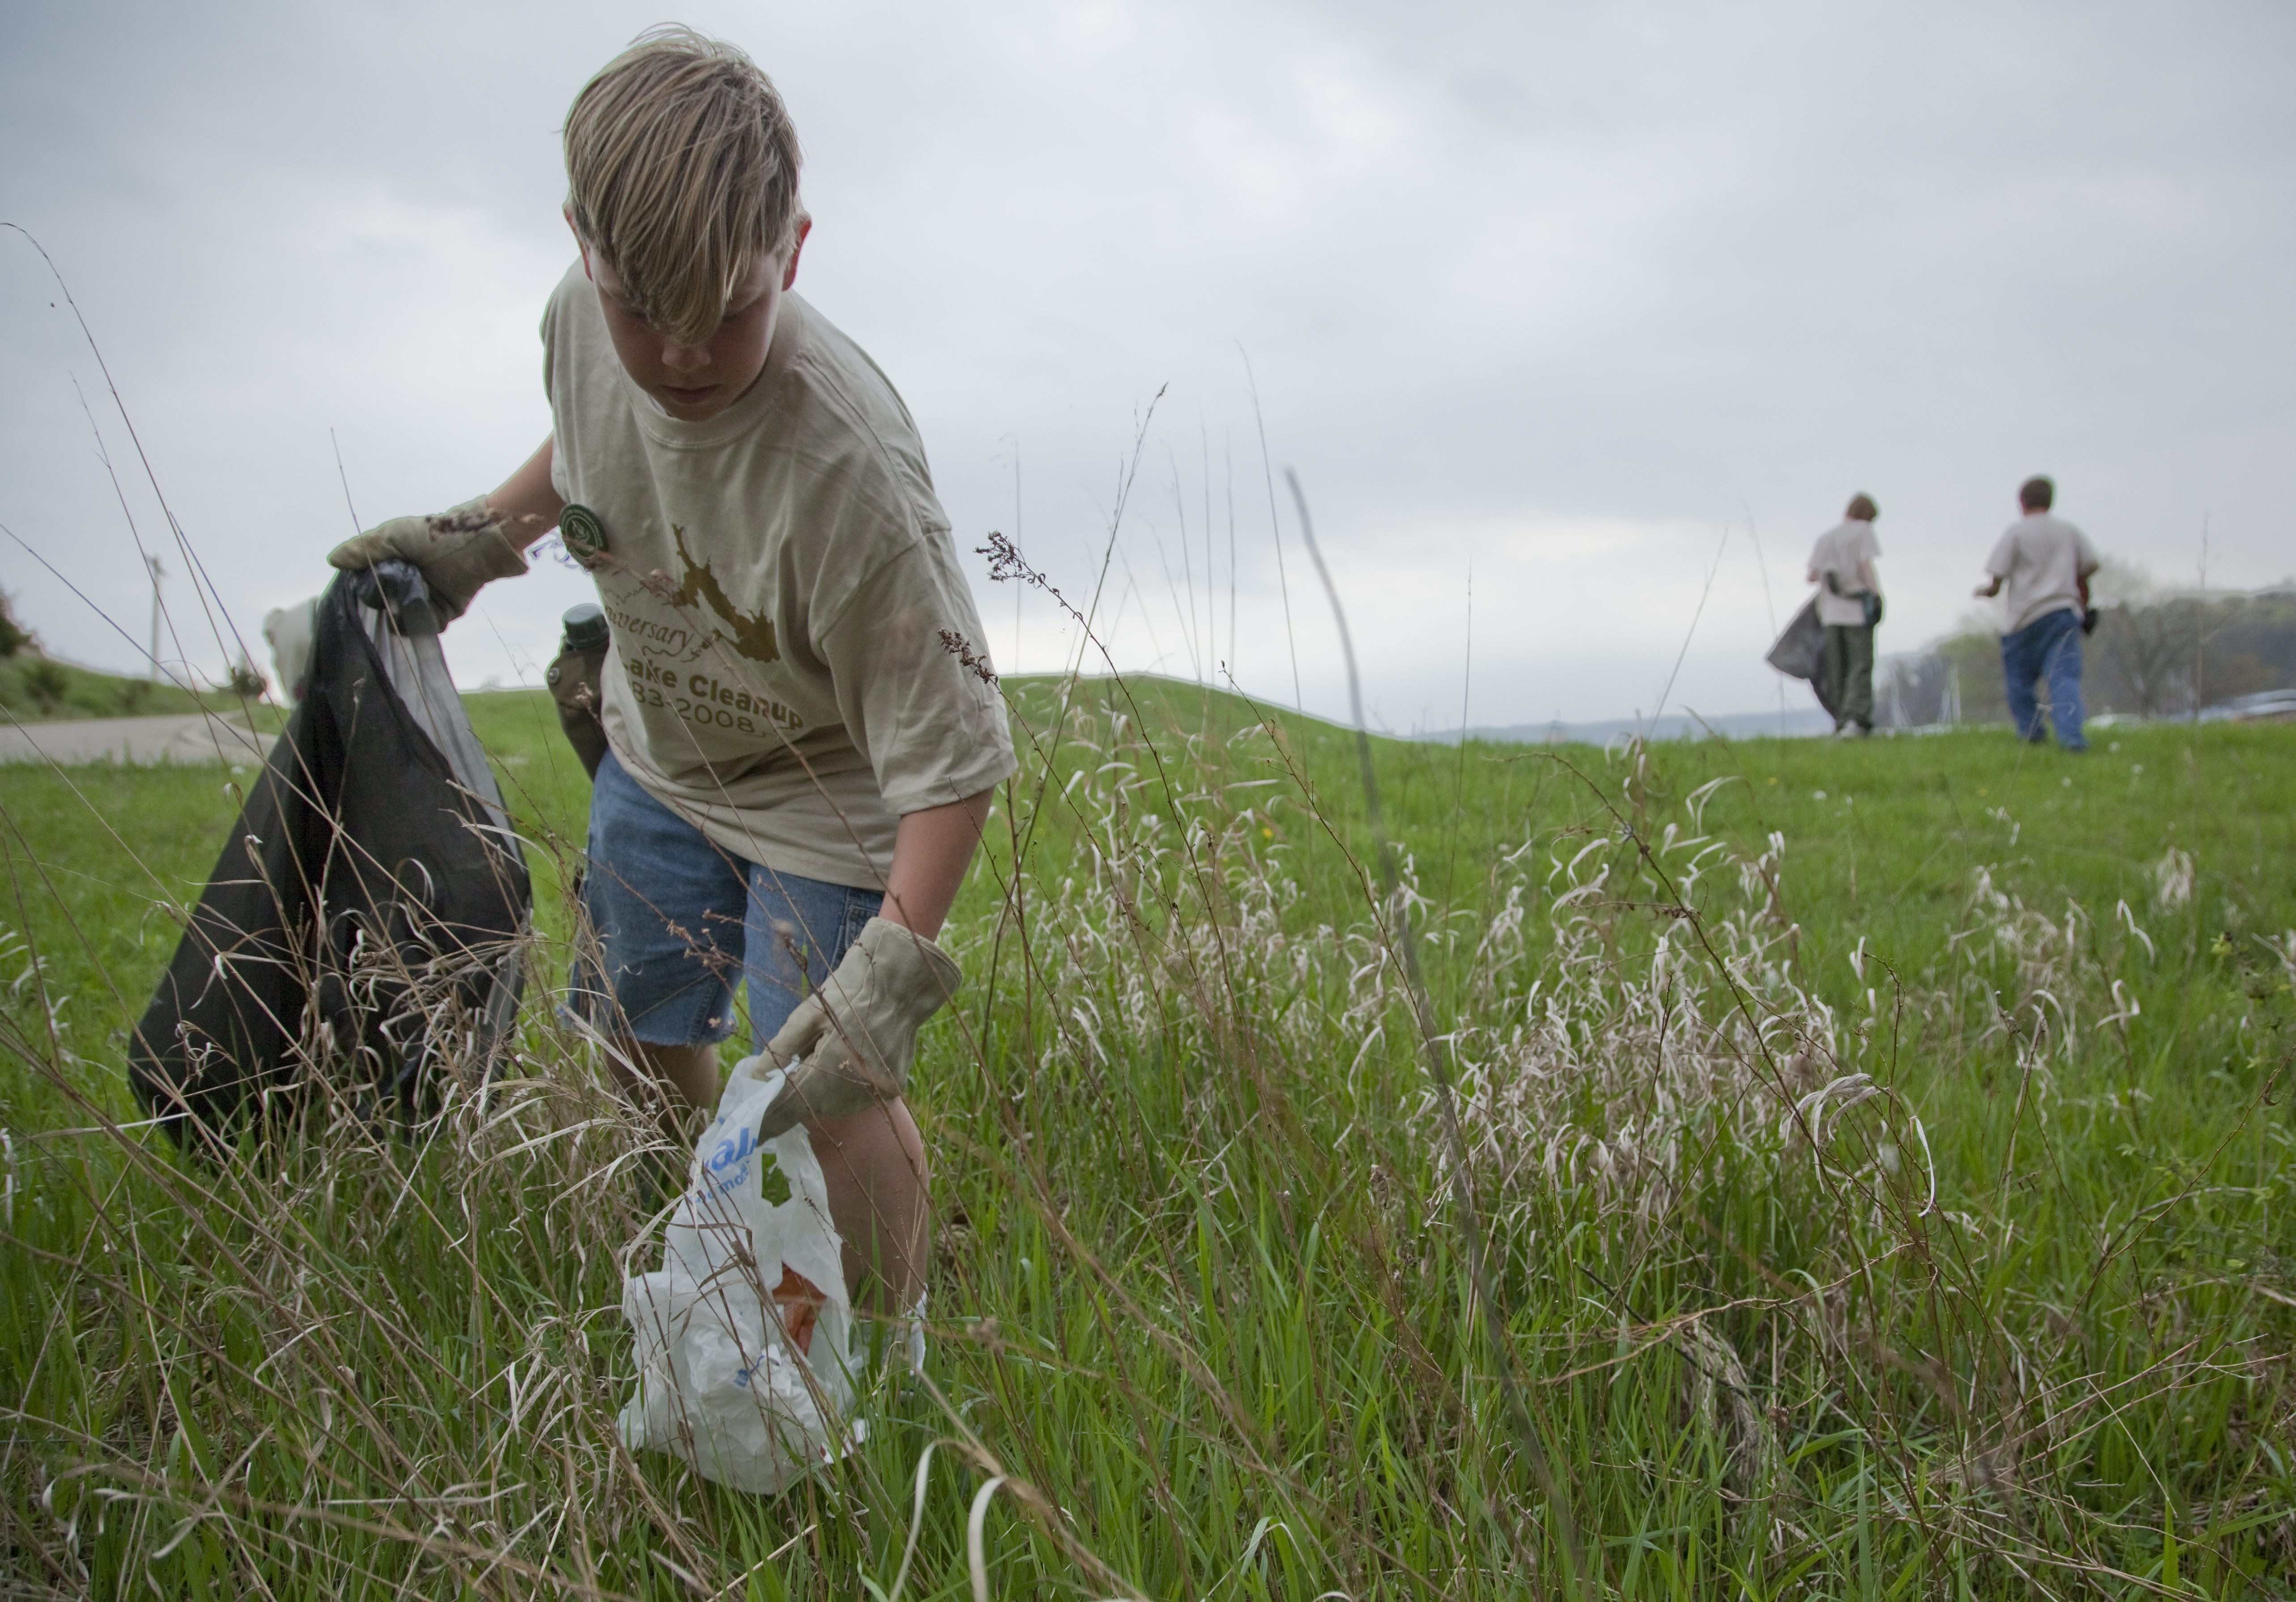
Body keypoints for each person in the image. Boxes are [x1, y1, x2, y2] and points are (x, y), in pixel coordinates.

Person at [326, 28, 1016, 1314]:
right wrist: (483, 539)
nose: (683, 355)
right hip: (660, 751)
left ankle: (885, 1347)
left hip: (830, 789)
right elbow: (589, 440)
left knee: (821, 1086)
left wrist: (891, 973)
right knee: (639, 1026)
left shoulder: (849, 471)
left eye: (729, 314)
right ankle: (700, 1239)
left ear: (792, 252)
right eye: (643, 312)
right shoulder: (579, 325)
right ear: (584, 246)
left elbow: (955, 761)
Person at [1974, 476, 2100, 751]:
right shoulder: (2068, 531)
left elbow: (1997, 574)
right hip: (2062, 613)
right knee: (2064, 677)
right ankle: (2073, 739)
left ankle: (2032, 732)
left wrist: (1988, 591)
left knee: (2019, 680)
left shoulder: (2017, 533)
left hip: (2024, 618)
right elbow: (2091, 565)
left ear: (2023, 502)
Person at [1805, 492, 1884, 736]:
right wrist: (1877, 594)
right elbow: (1865, 565)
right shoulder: (1863, 532)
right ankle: (1854, 720)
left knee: (1836, 669)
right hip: (1856, 613)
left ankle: (1840, 720)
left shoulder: (1826, 538)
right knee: (1859, 666)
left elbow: (1811, 576)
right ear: (1867, 516)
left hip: (1829, 614)